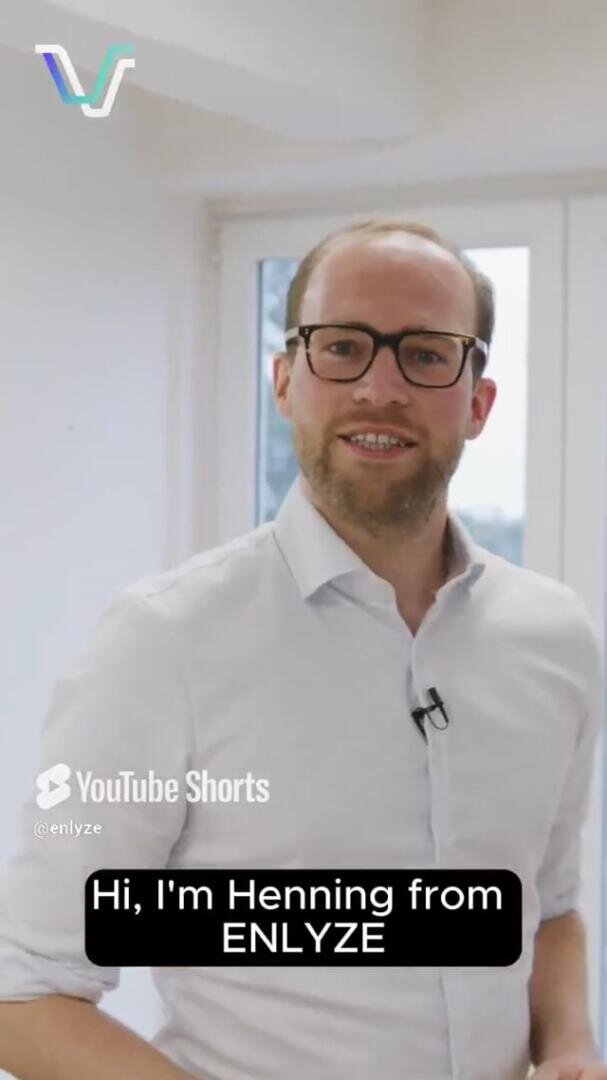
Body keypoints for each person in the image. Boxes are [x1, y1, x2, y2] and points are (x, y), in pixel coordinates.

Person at [0, 218, 604, 1080]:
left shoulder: (554, 638)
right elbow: (24, 994)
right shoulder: (165, 640)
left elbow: (548, 908)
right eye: (342, 347)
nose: (379, 387)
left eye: (427, 354)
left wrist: (572, 1046)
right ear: (285, 381)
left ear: (477, 402)